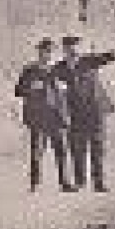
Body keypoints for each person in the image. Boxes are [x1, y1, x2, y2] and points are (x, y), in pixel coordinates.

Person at [55, 34, 115, 192]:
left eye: (75, 48)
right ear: (64, 50)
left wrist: (114, 53)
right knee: (77, 148)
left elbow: (104, 58)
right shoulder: (59, 68)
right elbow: (52, 82)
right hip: (75, 113)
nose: (73, 51)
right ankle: (80, 181)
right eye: (69, 48)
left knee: (97, 147)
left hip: (95, 110)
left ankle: (99, 182)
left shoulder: (89, 61)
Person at [14, 38, 74, 192]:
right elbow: (18, 91)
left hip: (55, 117)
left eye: (49, 52)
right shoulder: (29, 70)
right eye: (44, 51)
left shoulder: (55, 70)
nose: (46, 54)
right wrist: (30, 87)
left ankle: (65, 183)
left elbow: (65, 90)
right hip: (38, 117)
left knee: (61, 150)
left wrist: (63, 92)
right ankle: (35, 184)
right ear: (39, 52)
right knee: (37, 151)